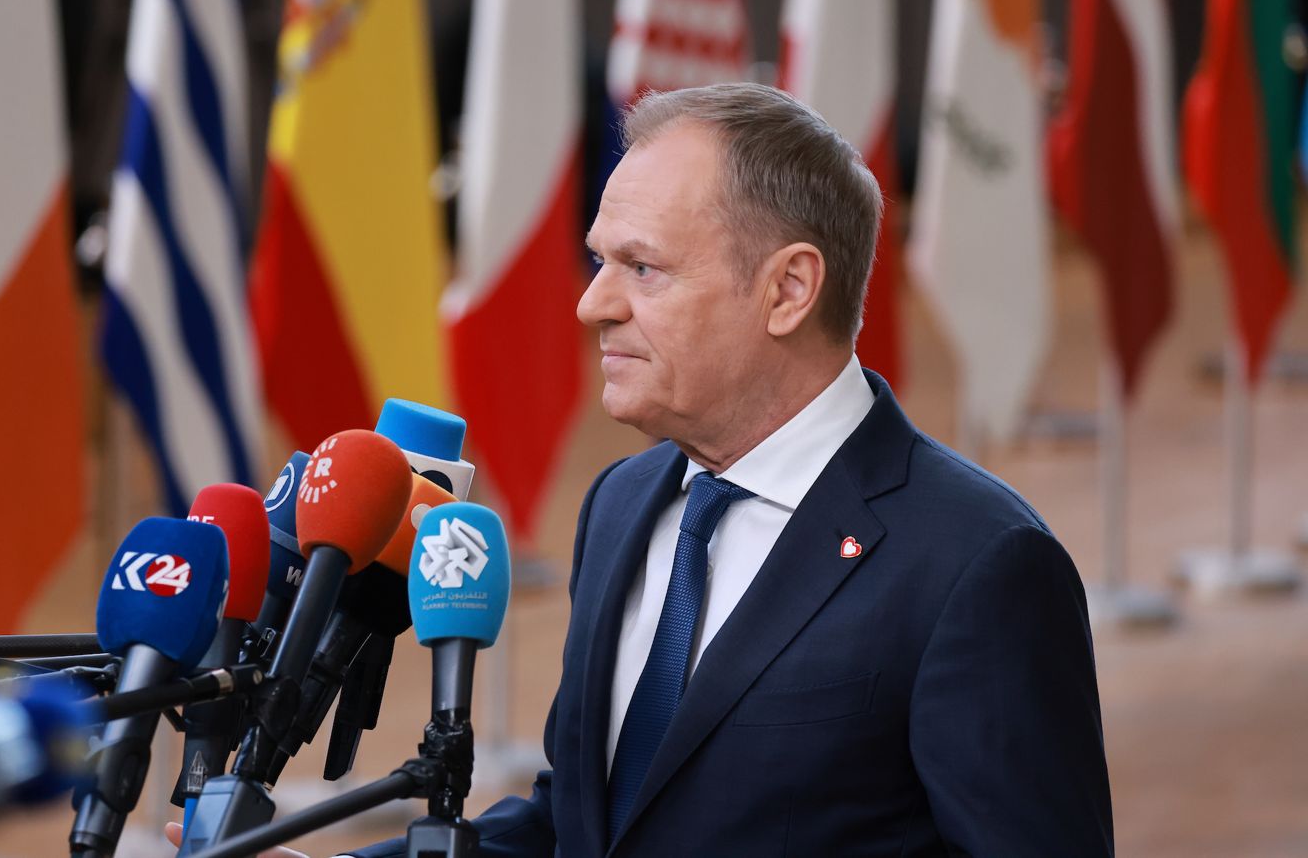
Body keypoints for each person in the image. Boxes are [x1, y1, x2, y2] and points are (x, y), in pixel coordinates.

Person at [215, 83, 1114, 856]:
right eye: (599, 260)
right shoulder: (622, 504)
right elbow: (580, 822)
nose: (591, 303)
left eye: (642, 268)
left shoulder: (977, 565)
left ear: (788, 289)